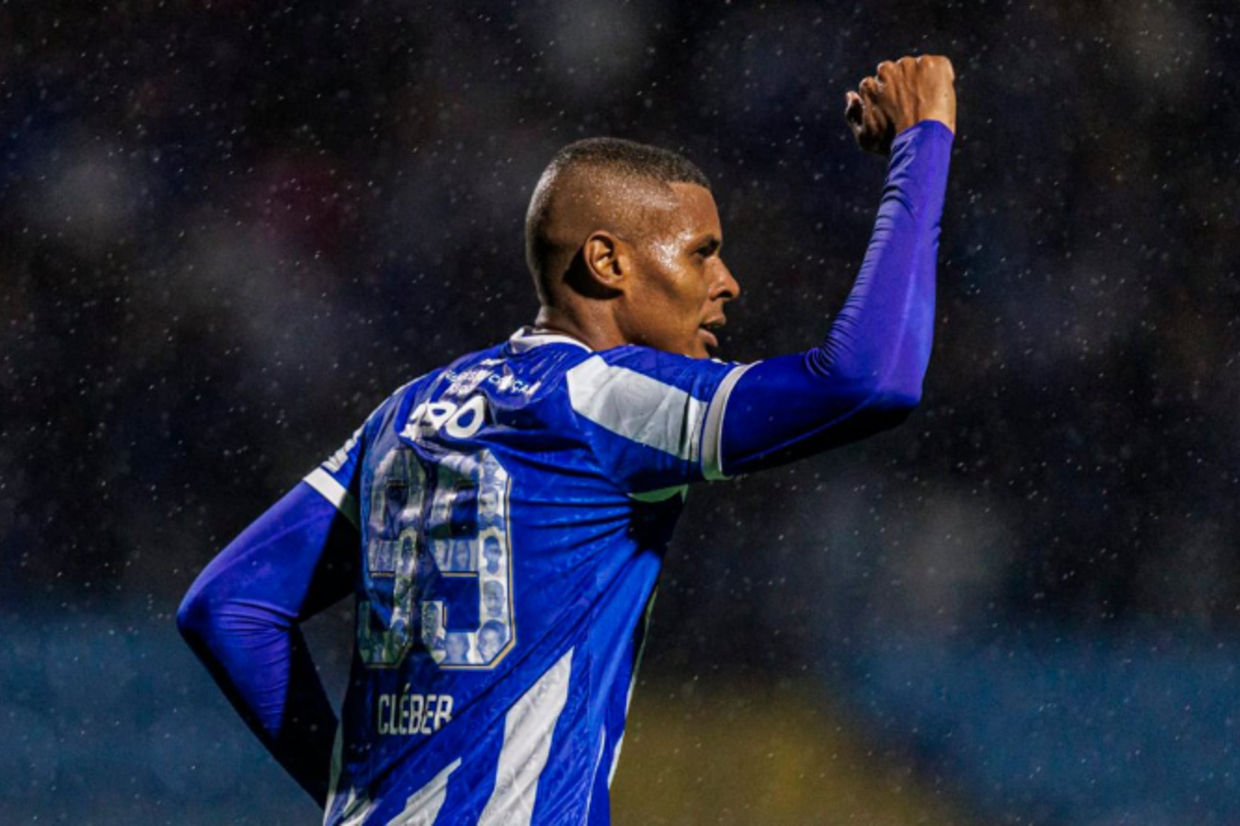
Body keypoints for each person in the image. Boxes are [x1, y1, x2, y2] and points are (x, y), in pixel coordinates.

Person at [177, 55, 956, 825]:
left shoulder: (408, 412)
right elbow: (869, 381)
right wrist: (923, 144)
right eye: (702, 252)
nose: (728, 283)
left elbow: (230, 607)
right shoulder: (605, 398)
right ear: (607, 261)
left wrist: (356, 793)